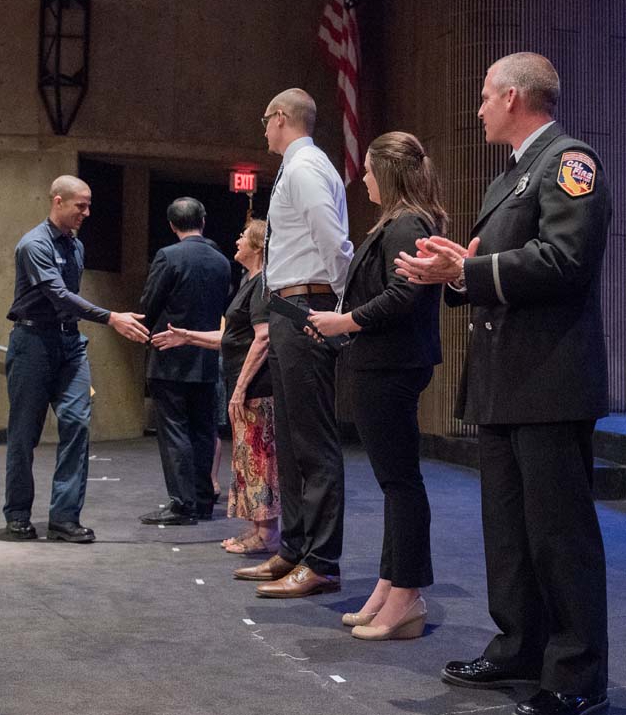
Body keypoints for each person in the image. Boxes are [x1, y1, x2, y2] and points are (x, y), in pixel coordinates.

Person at [395, 53, 610, 715]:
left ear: (515, 97)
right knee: (509, 528)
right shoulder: (510, 178)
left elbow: (566, 260)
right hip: (503, 380)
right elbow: (488, 264)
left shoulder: (572, 164)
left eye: (486, 96)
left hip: (549, 380)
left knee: (558, 533)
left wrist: (471, 268)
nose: (479, 108)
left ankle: (575, 675)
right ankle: (519, 645)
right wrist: (450, 272)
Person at [308, 132, 446, 639]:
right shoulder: (399, 223)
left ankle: (407, 595)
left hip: (391, 364)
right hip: (381, 363)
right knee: (395, 483)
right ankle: (391, 584)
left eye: (367, 169)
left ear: (385, 173)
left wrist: (343, 324)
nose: (361, 178)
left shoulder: (407, 223)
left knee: (401, 483)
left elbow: (402, 296)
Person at [233, 88, 353, 598]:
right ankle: (296, 547)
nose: (263, 129)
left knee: (314, 442)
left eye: (265, 119)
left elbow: (334, 242)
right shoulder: (298, 167)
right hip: (289, 308)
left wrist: (343, 309)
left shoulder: (305, 168)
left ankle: (321, 560)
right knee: (290, 440)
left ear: (280, 117)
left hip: (306, 309)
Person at [3, 174, 150, 543]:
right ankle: (18, 514)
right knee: (24, 434)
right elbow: (57, 294)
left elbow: (69, 299)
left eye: (88, 205)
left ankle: (64, 519)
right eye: (79, 205)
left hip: (69, 346)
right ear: (58, 201)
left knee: (77, 426)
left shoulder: (75, 245)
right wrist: (111, 317)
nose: (86, 212)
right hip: (32, 342)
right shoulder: (33, 245)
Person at [152, 218, 281, 552]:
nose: (236, 240)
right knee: (247, 458)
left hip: (258, 386)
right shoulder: (249, 281)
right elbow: (232, 337)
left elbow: (262, 337)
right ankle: (258, 530)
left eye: (242, 236)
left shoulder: (264, 283)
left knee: (259, 460)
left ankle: (268, 535)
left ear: (256, 245)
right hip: (245, 382)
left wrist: (240, 387)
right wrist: (186, 336)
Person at [138, 197, 230, 525]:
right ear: (202, 220)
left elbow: (149, 305)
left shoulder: (168, 256)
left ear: (172, 225)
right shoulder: (221, 261)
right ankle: (203, 499)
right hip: (206, 356)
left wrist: (143, 330)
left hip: (170, 356)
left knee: (174, 429)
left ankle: (182, 503)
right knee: (204, 430)